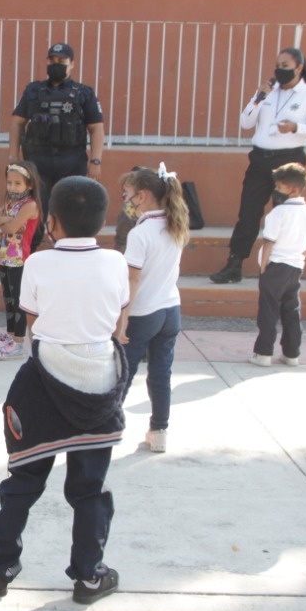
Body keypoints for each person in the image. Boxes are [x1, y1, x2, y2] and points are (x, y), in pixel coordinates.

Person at [0, 176, 130, 604]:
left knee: (23, 481)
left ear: (51, 221)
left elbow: (32, 324)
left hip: (44, 383)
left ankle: (0, 565)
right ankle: (88, 576)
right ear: (102, 221)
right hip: (99, 384)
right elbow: (118, 317)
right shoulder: (116, 262)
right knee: (90, 490)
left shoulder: (38, 263)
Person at [210, 48, 306, 284]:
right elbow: (245, 122)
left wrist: (296, 128)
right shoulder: (268, 92)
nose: (279, 69)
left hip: (289, 160)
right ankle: (235, 264)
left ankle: (280, 267)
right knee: (248, 212)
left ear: (298, 68)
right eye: (277, 64)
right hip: (260, 159)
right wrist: (258, 97)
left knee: (285, 215)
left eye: (285, 65)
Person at [117, 164, 189, 453]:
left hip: (143, 311)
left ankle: (108, 426)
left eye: (130, 195)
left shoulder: (141, 232)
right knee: (161, 373)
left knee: (123, 372)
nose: (128, 202)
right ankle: (159, 431)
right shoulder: (176, 223)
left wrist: (122, 322)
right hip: (170, 308)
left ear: (143, 195)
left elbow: (133, 279)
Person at [10, 42, 105, 215]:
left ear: (72, 64)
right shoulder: (33, 91)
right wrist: (14, 157)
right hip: (38, 160)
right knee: (35, 210)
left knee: (71, 211)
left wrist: (95, 160)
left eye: (61, 61)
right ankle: (34, 243)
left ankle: (68, 242)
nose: (56, 64)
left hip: (72, 160)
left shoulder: (84, 93)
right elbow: (17, 123)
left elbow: (96, 128)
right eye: (52, 60)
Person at [249, 163, 306, 367]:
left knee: (268, 311)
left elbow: (269, 241)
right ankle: (291, 353)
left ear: (293, 189)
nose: (276, 191)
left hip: (275, 265)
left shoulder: (277, 214)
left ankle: (263, 353)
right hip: (295, 266)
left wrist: (263, 268)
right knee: (292, 310)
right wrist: (301, 261)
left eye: (280, 187)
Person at [0, 161, 41, 362]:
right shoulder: (11, 204)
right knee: (8, 299)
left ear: (30, 185)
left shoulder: (30, 205)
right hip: (5, 258)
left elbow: (10, 228)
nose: (12, 187)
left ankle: (18, 342)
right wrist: (6, 221)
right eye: (9, 183)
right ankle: (10, 336)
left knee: (19, 301)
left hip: (19, 259)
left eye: (18, 183)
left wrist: (5, 222)